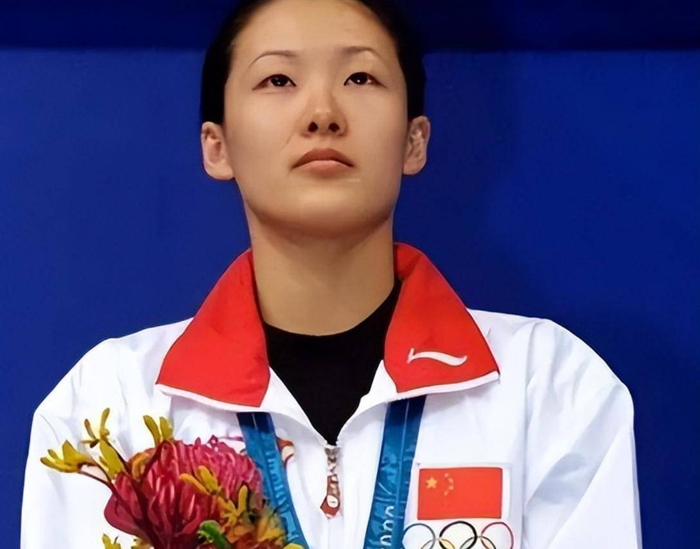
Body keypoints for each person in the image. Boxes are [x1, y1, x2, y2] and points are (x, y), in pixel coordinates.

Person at [20, 0, 643, 547]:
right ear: (218, 146)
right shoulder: (112, 407)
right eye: (278, 79)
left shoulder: (547, 388)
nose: (322, 112)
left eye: (360, 77)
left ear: (414, 141)